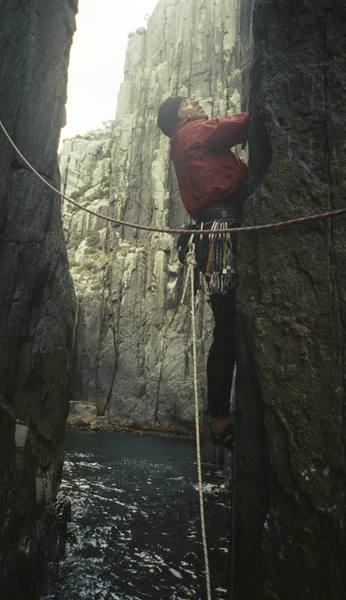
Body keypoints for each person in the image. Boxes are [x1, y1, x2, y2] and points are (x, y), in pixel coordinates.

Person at [157, 96, 250, 448]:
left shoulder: (182, 141)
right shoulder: (194, 132)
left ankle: (221, 418)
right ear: (182, 113)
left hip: (214, 231)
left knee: (227, 327)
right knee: (228, 327)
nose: (198, 103)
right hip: (223, 230)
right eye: (190, 101)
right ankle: (220, 418)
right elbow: (238, 126)